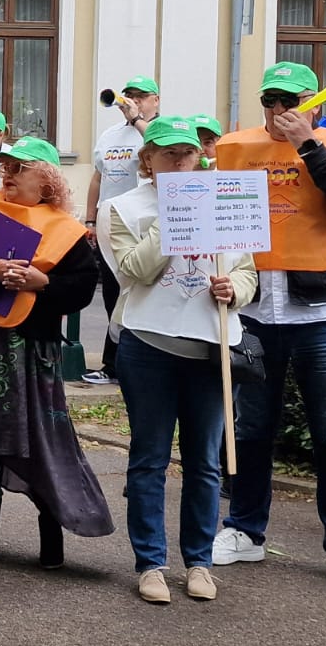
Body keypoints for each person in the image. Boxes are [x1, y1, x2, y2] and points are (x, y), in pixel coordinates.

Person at [212, 62, 326, 591]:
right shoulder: (234, 149)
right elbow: (211, 215)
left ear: (313, 102)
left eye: (292, 100)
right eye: (271, 98)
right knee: (251, 430)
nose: (280, 109)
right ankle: (244, 529)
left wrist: (309, 145)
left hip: (323, 314)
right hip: (256, 309)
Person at [98, 118, 258, 604]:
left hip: (211, 349)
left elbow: (249, 271)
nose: (180, 162)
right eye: (169, 155)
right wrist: (178, 213)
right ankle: (150, 563)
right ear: (147, 160)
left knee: (205, 462)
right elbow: (133, 272)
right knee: (148, 458)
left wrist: (237, 289)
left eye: (188, 154)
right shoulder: (120, 208)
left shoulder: (231, 199)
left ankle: (199, 562)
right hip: (150, 346)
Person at [0, 136, 112, 568]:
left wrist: (44, 285)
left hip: (35, 351)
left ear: (48, 178)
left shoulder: (67, 230)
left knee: (40, 437)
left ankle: (51, 530)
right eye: (5, 167)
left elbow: (79, 288)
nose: (8, 174)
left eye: (20, 168)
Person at [84, 77, 161, 385]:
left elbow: (158, 146)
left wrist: (138, 119)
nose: (133, 101)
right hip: (110, 220)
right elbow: (97, 177)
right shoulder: (110, 135)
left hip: (142, 221)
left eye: (141, 97)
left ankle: (127, 363)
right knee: (113, 294)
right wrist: (90, 219)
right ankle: (113, 363)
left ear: (155, 100)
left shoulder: (159, 129)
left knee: (136, 289)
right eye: (129, 96)